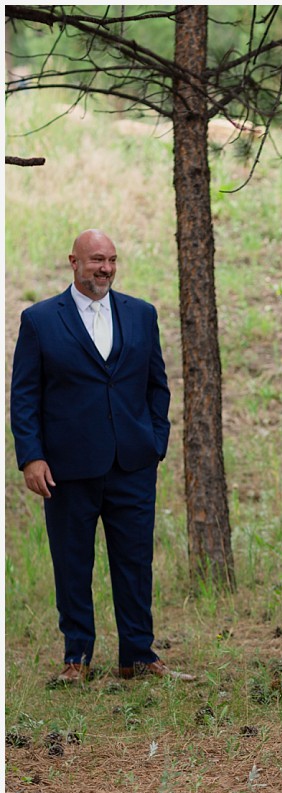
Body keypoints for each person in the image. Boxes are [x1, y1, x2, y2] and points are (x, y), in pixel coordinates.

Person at [9, 229, 193, 684]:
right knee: (72, 563)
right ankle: (77, 658)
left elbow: (157, 386)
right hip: (67, 469)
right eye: (96, 260)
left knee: (135, 561)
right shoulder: (40, 320)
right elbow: (25, 397)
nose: (106, 268)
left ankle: (138, 657)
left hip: (132, 464)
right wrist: (32, 457)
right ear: (74, 261)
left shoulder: (141, 315)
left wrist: (155, 442)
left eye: (111, 260)